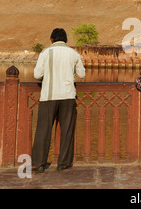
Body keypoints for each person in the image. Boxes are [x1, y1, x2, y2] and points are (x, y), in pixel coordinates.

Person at [31, 28, 86, 173]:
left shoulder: (45, 53)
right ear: (66, 40)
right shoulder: (73, 53)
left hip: (49, 96)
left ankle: (38, 163)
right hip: (68, 96)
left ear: (51, 39)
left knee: (43, 130)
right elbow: (81, 74)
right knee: (67, 131)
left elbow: (37, 75)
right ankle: (64, 163)